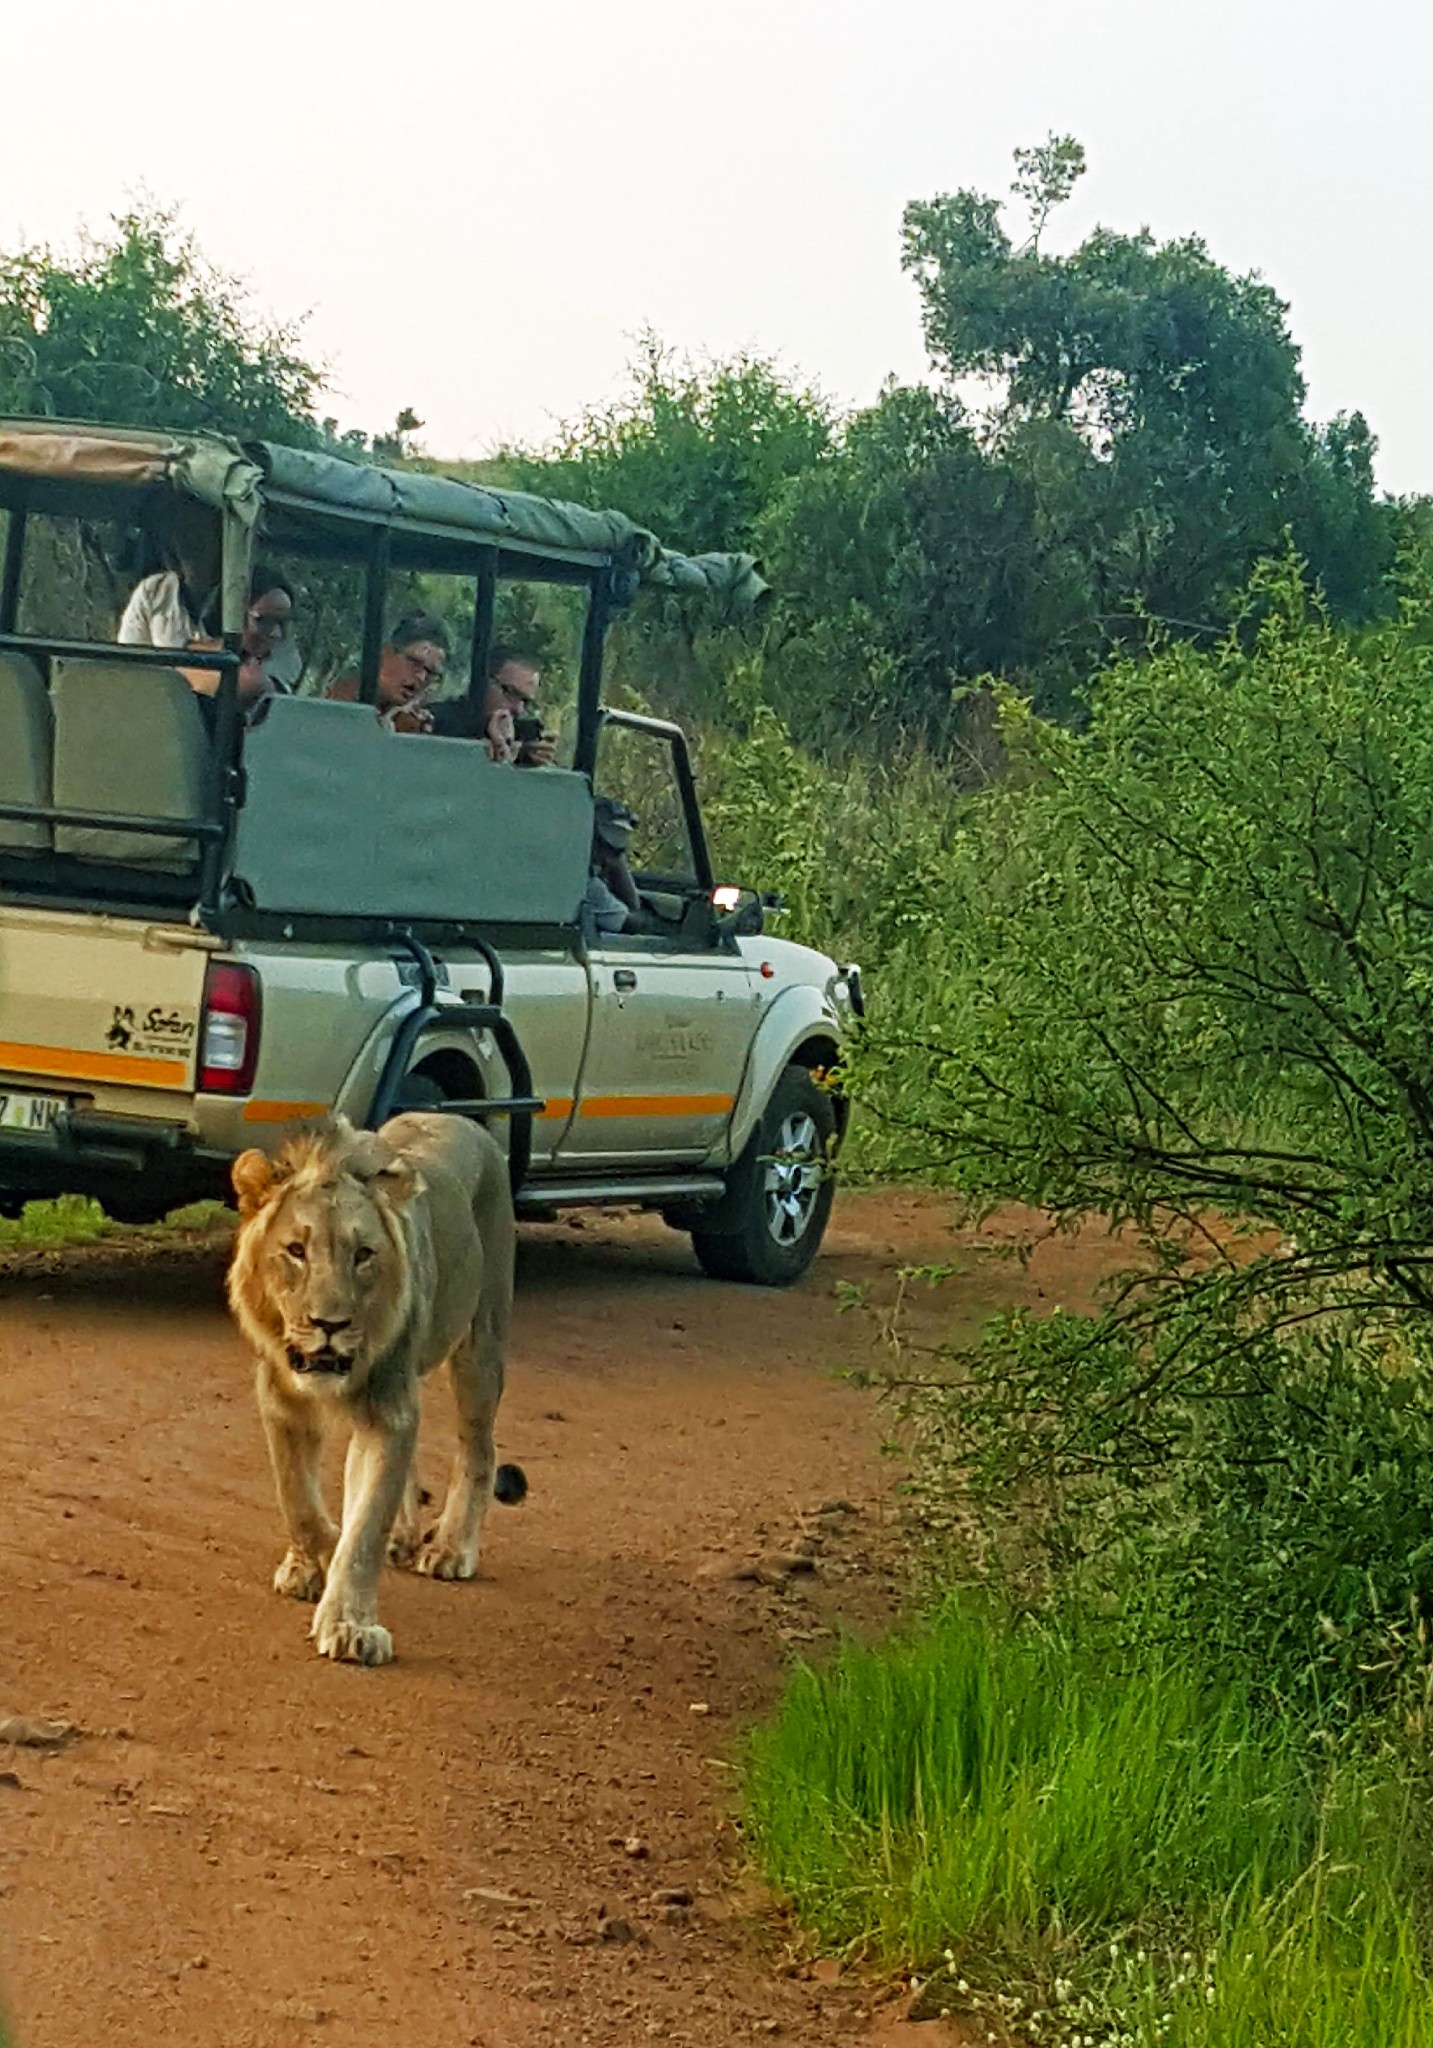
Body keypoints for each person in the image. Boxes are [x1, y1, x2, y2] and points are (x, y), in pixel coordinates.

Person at [429, 644, 557, 764]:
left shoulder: (523, 737)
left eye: (525, 701)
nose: (518, 709)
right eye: (511, 693)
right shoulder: (438, 721)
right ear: (483, 682)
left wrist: (529, 757)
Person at [324, 612, 449, 733]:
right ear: (385, 653)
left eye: (430, 673)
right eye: (414, 662)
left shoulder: (411, 720)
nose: (421, 677)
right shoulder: (340, 700)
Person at [583, 797, 642, 934]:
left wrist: (617, 863)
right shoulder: (587, 885)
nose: (609, 858)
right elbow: (630, 923)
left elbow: (633, 904)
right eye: (606, 849)